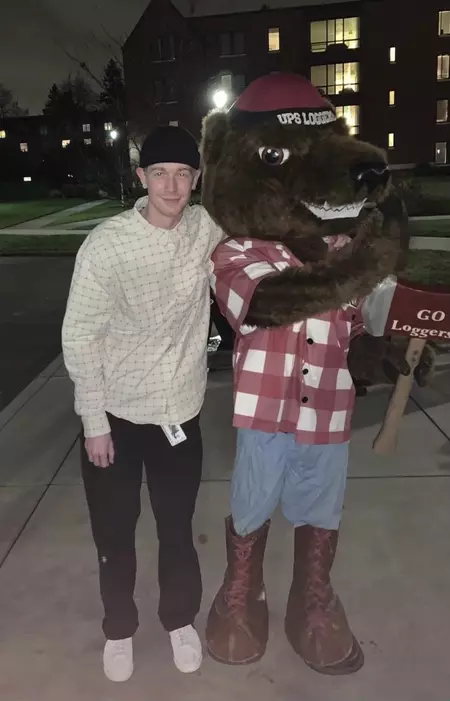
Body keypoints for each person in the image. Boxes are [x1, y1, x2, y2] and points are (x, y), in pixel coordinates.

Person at [62, 125, 224, 682]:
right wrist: (93, 423)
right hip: (118, 418)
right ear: (141, 178)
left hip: (180, 412)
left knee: (177, 527)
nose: (172, 186)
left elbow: (267, 233)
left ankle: (179, 619)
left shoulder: (208, 229)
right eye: (160, 174)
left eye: (183, 174)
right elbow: (79, 335)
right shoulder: (108, 243)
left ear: (197, 179)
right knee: (115, 531)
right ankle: (119, 628)